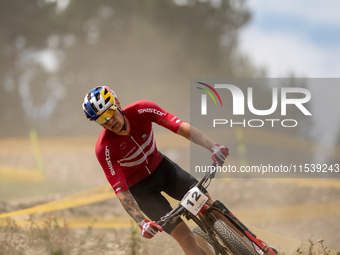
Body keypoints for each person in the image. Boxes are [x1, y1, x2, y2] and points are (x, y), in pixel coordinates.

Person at [82, 86, 229, 255]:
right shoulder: (104, 148)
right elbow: (121, 190)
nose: (109, 121)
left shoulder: (141, 109)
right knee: (185, 237)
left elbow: (181, 128)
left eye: (109, 113)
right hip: (142, 191)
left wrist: (213, 146)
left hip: (164, 170)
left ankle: (258, 246)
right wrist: (141, 221)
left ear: (117, 103)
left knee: (212, 208)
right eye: (102, 120)